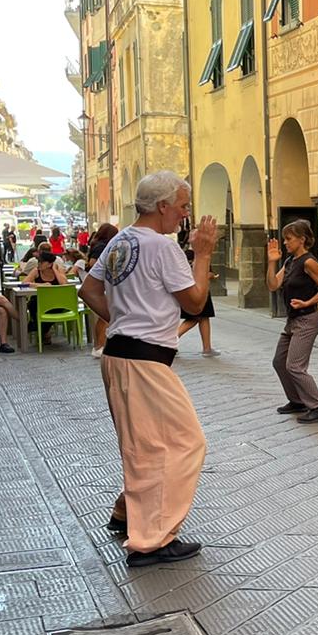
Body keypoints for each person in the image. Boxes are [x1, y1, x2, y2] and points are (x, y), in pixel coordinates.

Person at [79, 171, 214, 568]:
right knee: (183, 444)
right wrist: (203, 254)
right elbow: (194, 303)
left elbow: (88, 289)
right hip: (145, 360)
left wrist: (123, 319)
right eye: (183, 206)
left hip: (119, 355)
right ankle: (151, 540)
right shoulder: (163, 247)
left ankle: (127, 514)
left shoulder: (120, 240)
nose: (185, 214)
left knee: (143, 445)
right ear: (163, 206)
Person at [269, 218, 318, 424]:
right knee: (279, 362)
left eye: (289, 239)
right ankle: (297, 401)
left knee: (295, 366)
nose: (285, 243)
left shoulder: (308, 262)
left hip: (307, 320)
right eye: (284, 239)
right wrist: (271, 262)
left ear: (302, 239)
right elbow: (273, 285)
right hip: (292, 321)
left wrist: (307, 302)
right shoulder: (289, 262)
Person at [176, 233, 220, 358]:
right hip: (198, 289)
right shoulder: (196, 255)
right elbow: (203, 273)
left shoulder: (185, 254)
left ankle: (207, 347)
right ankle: (173, 339)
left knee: (204, 317)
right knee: (195, 318)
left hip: (193, 289)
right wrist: (211, 275)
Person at [84, 223, 119, 358]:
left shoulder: (98, 245)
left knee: (102, 318)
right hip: (102, 283)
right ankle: (99, 345)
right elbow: (93, 264)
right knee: (104, 318)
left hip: (100, 282)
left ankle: (99, 344)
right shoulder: (102, 247)